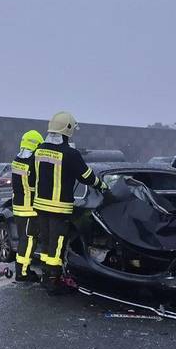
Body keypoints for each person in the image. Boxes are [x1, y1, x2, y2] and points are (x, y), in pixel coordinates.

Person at [32, 111, 106, 292]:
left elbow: (33, 175)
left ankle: (46, 277)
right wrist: (102, 185)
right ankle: (53, 282)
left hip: (41, 206)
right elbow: (86, 176)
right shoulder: (70, 154)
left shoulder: (39, 150)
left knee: (46, 243)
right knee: (56, 246)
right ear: (68, 130)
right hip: (59, 208)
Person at [11, 129, 44, 282]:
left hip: (18, 207)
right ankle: (22, 273)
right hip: (29, 208)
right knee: (29, 240)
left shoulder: (17, 159)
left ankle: (22, 269)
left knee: (23, 239)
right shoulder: (33, 162)